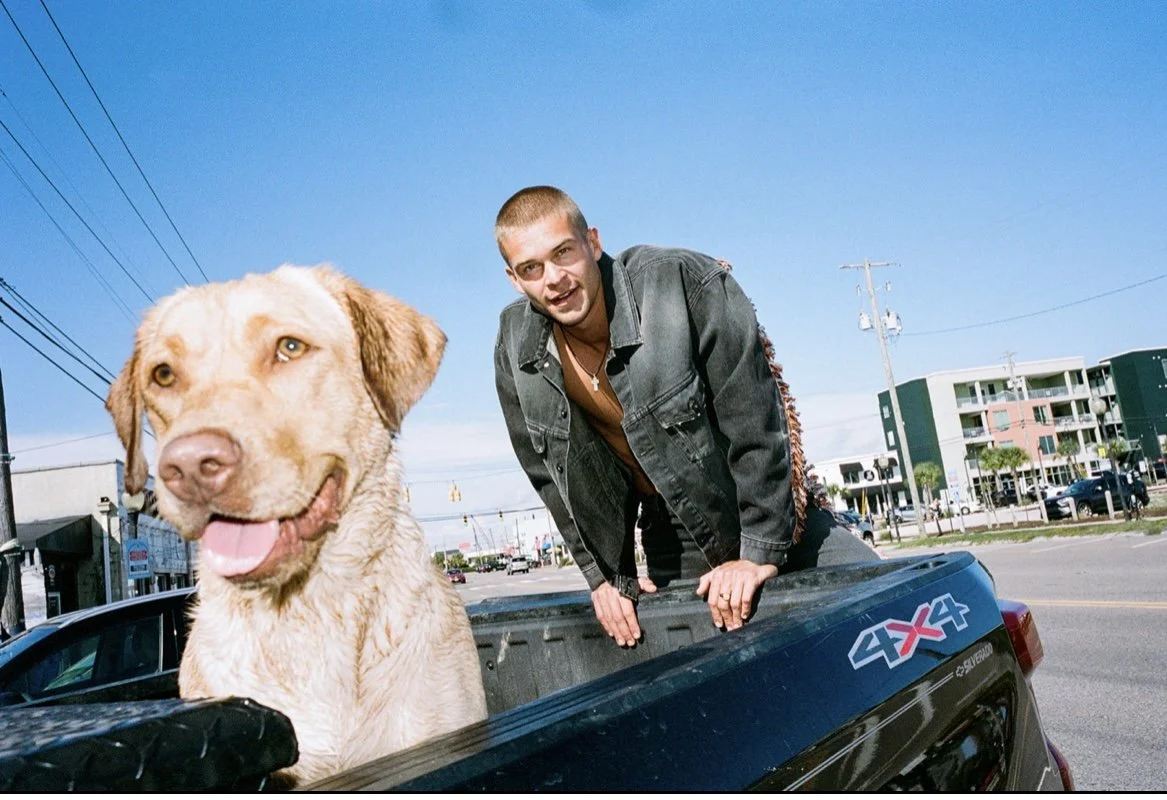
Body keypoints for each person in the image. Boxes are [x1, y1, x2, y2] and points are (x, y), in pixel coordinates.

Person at [493, 186, 878, 648]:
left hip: (766, 509)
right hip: (672, 535)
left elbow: (757, 421)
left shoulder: (681, 283)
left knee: (887, 608)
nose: (553, 278)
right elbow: (549, 477)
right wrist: (604, 575)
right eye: (531, 268)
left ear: (593, 243)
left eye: (564, 253)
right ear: (514, 279)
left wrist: (757, 553)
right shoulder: (516, 347)